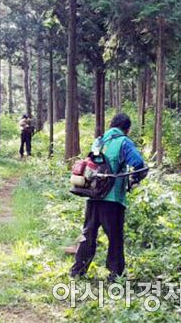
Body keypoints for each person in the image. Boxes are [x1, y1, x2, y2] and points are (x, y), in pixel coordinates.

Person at [70, 113, 147, 281]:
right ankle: (115, 275)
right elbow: (138, 164)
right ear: (127, 129)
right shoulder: (124, 142)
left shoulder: (99, 141)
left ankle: (77, 271)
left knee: (88, 234)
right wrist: (135, 180)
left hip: (93, 195)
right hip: (113, 199)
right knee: (115, 238)